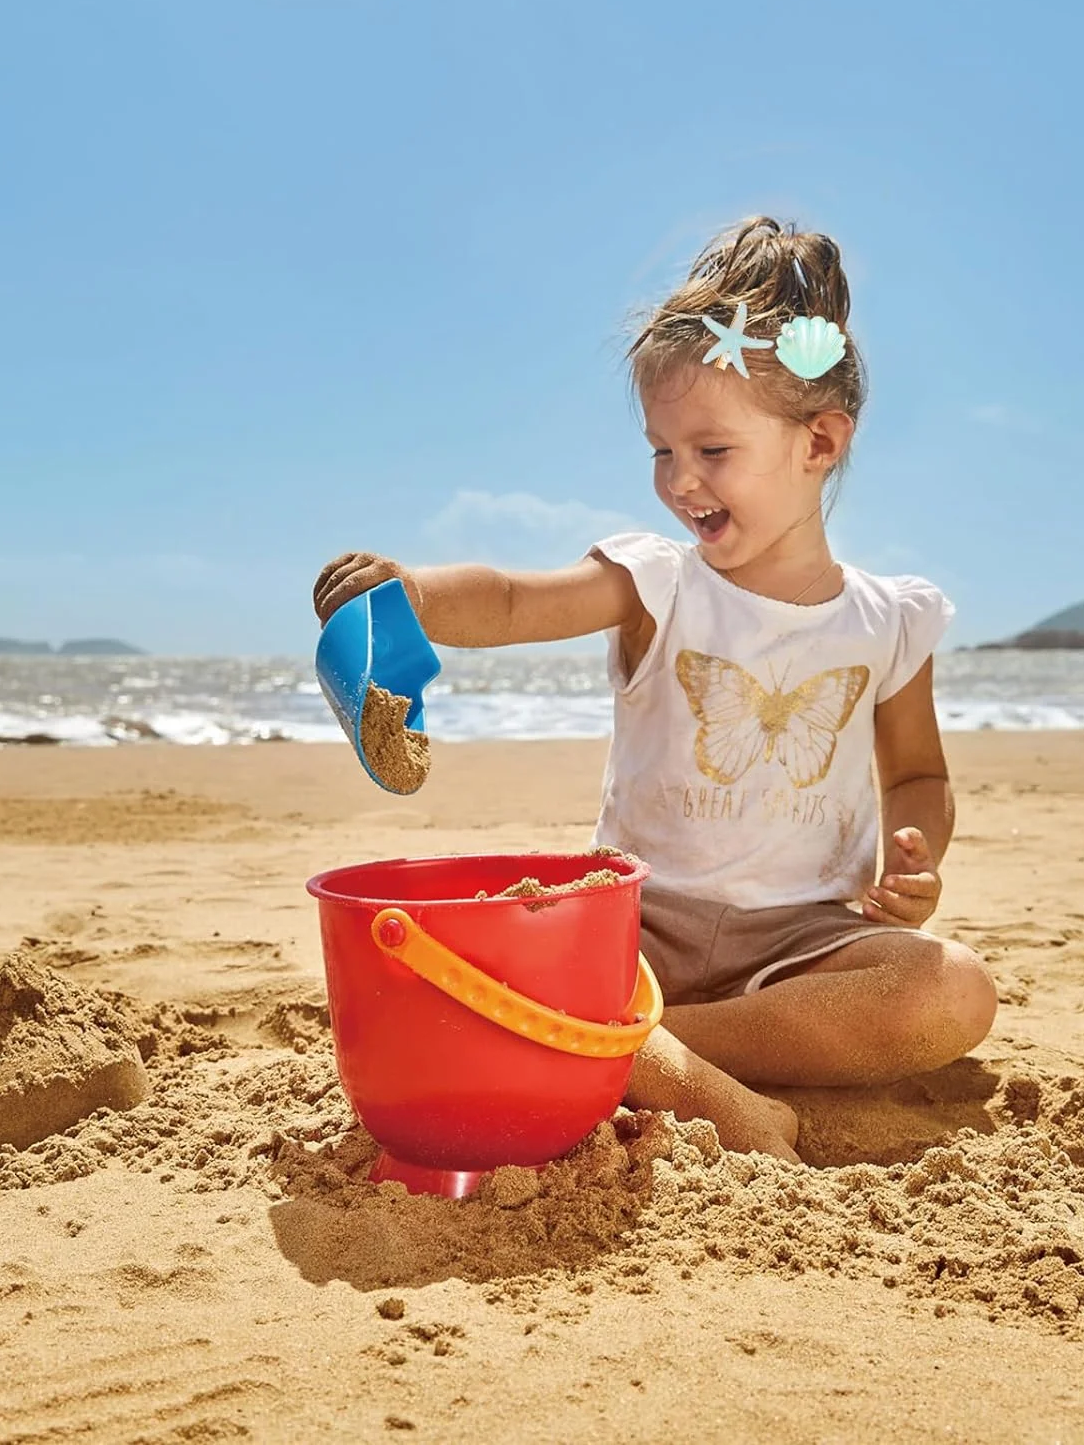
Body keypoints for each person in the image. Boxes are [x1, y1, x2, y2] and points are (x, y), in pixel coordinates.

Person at [313, 215, 997, 1162]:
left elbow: (918, 774)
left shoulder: (890, 620)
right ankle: (701, 1079)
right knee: (504, 958)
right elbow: (513, 602)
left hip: (802, 944)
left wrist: (919, 856)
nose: (679, 481)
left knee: (953, 992)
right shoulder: (661, 582)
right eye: (661, 451)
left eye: (711, 451)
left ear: (820, 442)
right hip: (639, 925)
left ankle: (648, 1047)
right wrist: (411, 596)